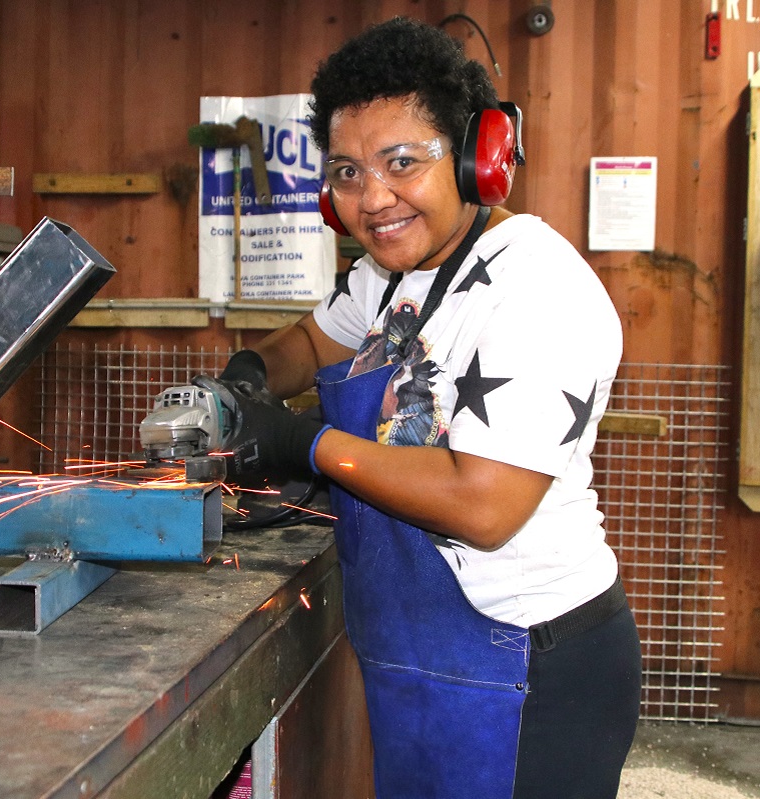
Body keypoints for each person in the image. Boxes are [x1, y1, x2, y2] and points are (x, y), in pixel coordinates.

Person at [209, 16, 641, 799]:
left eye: (401, 161)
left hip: (530, 666)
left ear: (478, 158)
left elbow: (484, 505)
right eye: (346, 171)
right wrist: (247, 374)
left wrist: (302, 444)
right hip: (425, 658)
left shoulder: (538, 285)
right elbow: (310, 340)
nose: (374, 198)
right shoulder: (387, 277)